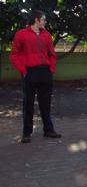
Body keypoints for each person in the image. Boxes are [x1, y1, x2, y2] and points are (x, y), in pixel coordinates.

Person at [10, 10, 61, 143]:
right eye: (43, 19)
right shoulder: (21, 34)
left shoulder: (47, 35)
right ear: (37, 20)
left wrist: (51, 69)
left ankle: (48, 130)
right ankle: (26, 133)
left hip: (45, 72)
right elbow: (14, 55)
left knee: (46, 103)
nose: (45, 22)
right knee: (28, 103)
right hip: (29, 72)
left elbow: (52, 54)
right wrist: (23, 71)